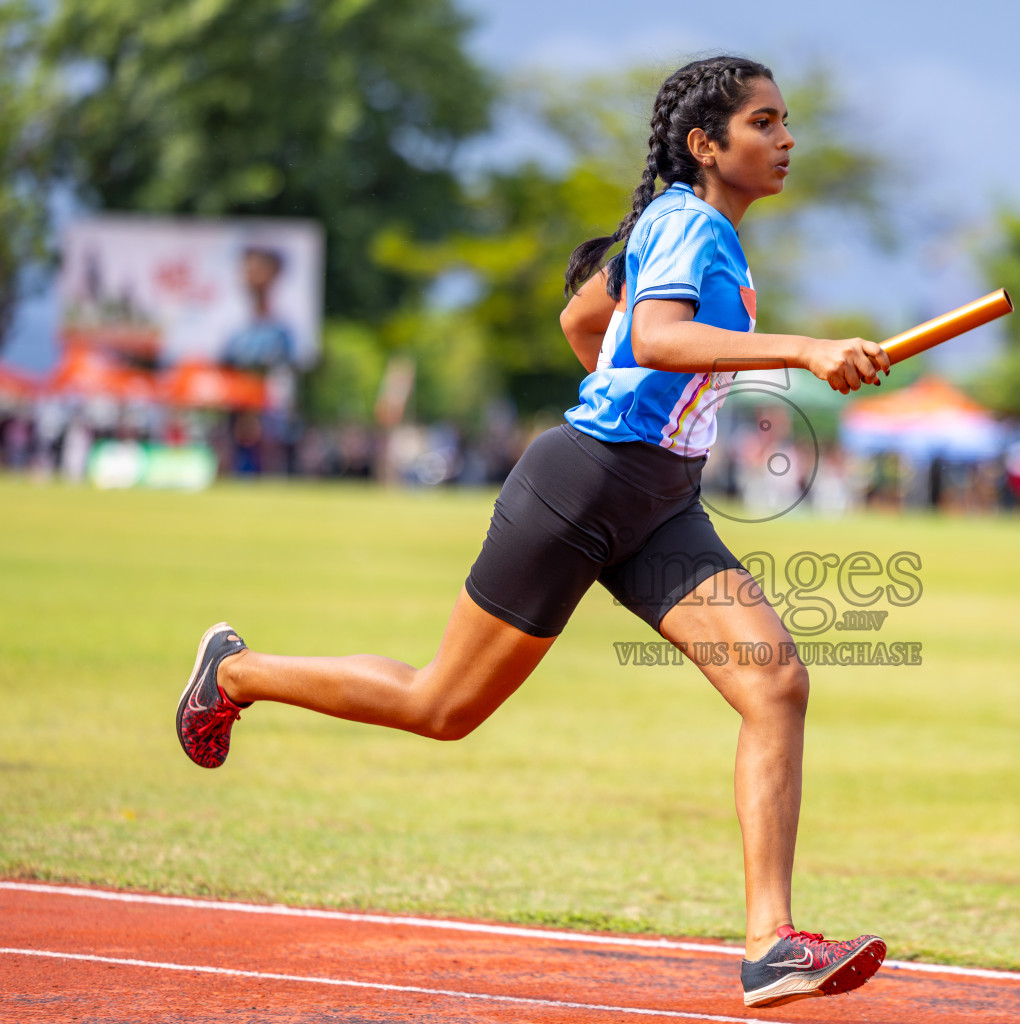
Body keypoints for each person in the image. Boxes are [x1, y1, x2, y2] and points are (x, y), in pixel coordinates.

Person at [175, 55, 893, 1009]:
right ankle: (235, 672)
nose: (787, 138)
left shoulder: (683, 229)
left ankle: (771, 946)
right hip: (583, 486)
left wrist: (641, 397)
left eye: (785, 120)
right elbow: (656, 338)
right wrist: (803, 350)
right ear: (705, 145)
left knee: (775, 682)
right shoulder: (686, 223)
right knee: (443, 708)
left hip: (659, 499)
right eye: (765, 122)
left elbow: (584, 318)